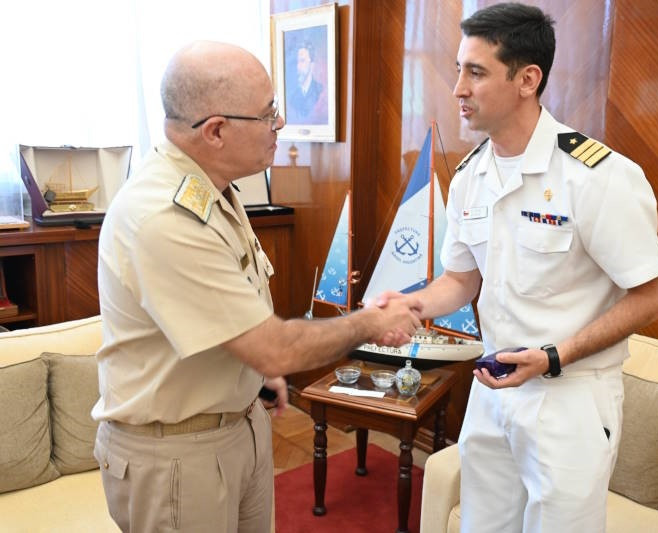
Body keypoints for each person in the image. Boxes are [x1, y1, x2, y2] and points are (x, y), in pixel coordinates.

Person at [92, 41, 421, 533]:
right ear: (217, 131)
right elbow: (274, 348)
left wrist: (250, 373)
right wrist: (372, 322)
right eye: (268, 113)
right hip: (179, 454)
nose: (281, 124)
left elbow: (232, 318)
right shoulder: (162, 216)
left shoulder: (213, 185)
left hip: (234, 428)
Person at [374, 4, 658, 531]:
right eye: (458, 69)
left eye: (476, 71)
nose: (457, 88)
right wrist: (412, 305)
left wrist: (556, 356)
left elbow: (655, 295)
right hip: (492, 392)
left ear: (527, 79)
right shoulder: (470, 175)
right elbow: (462, 280)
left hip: (571, 399)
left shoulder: (596, 177)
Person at [287, 41, 326, 124]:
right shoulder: (293, 97)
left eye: (302, 61)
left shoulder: (320, 91)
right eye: (297, 62)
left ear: (312, 65)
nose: (298, 66)